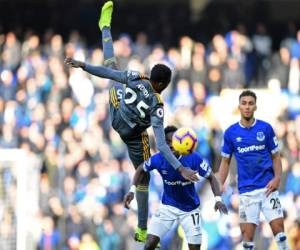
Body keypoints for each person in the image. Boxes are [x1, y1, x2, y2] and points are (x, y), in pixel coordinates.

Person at [64, 1, 199, 242]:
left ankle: (105, 28)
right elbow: (162, 144)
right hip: (132, 136)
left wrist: (83, 65)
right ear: (164, 86)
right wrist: (181, 168)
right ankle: (142, 229)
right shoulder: (158, 106)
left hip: (115, 114)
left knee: (111, 65)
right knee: (144, 176)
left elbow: (109, 74)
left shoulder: (137, 78)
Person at [124, 126, 228, 250]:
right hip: (168, 207)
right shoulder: (159, 159)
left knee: (195, 247)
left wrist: (218, 199)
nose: (171, 146)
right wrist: (132, 190)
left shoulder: (193, 158)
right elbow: (141, 169)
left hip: (189, 209)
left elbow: (211, 177)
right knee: (150, 243)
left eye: (173, 142)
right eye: (167, 143)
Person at [218, 90, 290, 250]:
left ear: (255, 106)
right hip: (246, 192)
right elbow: (225, 162)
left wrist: (277, 177)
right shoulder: (230, 133)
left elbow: (276, 157)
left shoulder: (265, 128)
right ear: (239, 106)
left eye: (251, 103)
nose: (247, 107)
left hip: (267, 189)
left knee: (281, 234)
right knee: (247, 240)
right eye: (244, 103)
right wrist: (219, 187)